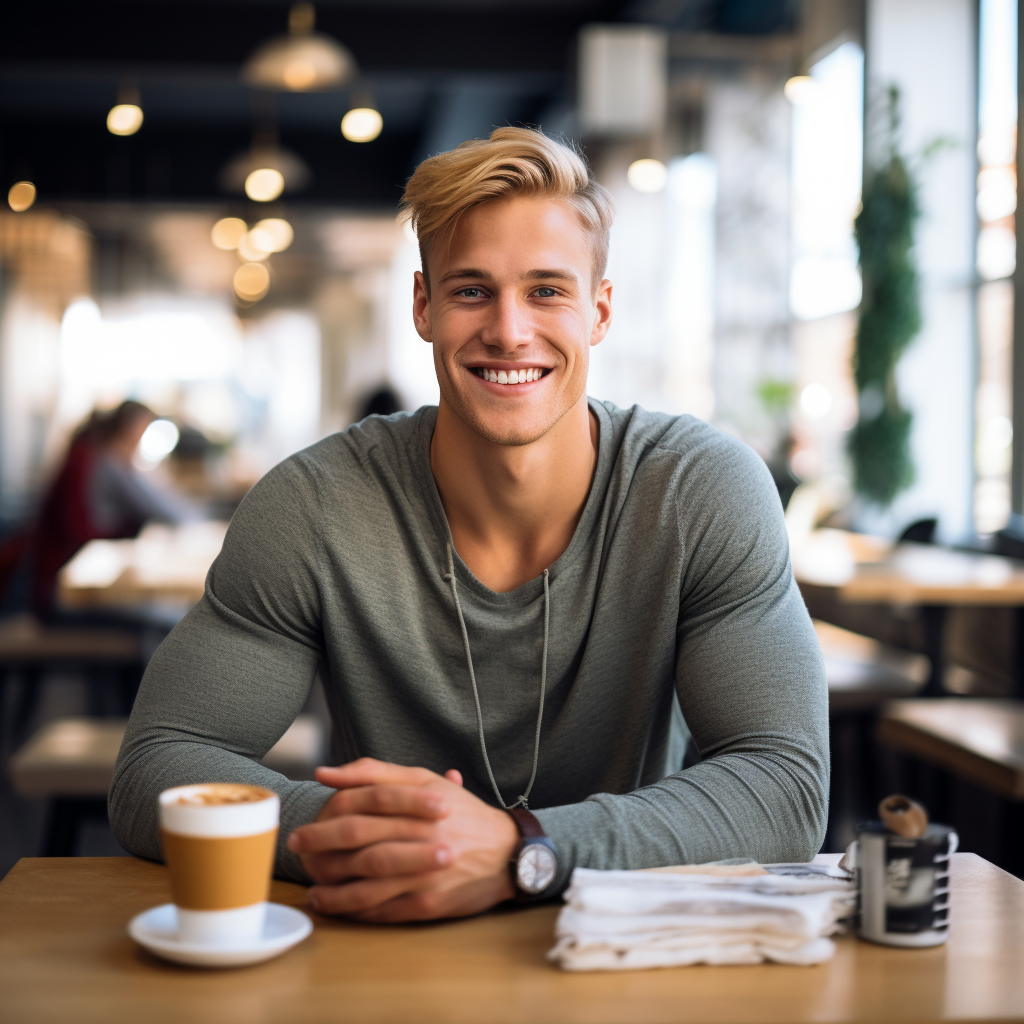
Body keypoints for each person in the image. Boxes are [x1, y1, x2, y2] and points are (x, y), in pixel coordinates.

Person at [111, 128, 828, 923]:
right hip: (377, 940)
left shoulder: (698, 489)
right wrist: (381, 837)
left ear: (600, 310)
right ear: (424, 306)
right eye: (471, 290)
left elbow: (784, 785)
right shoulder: (312, 506)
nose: (510, 331)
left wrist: (523, 848)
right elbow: (155, 768)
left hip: (627, 952)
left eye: (548, 290)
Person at [27, 400, 193, 614]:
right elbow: (168, 512)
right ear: (131, 429)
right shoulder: (111, 462)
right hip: (66, 592)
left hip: (60, 578)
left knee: (167, 615)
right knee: (167, 618)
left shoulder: (96, 453)